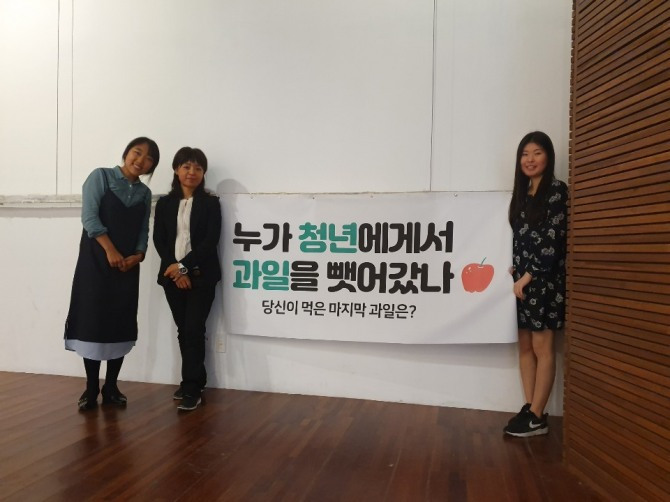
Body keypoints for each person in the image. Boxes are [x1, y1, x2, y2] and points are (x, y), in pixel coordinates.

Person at [65, 137, 160, 410]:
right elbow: (89, 218)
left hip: (127, 266)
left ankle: (111, 386)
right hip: (95, 262)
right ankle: (91, 387)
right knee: (93, 321)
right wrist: (110, 250)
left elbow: (143, 230)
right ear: (126, 153)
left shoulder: (144, 193)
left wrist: (138, 255)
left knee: (120, 321)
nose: (140, 161)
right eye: (137, 152)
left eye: (149, 158)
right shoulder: (101, 177)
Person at [503, 131, 567, 437]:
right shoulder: (521, 194)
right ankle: (530, 408)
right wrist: (514, 268)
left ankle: (539, 415)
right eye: (525, 154)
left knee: (543, 347)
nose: (530, 159)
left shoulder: (557, 191)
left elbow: (553, 241)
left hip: (544, 282)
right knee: (525, 347)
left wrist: (529, 274)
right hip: (521, 283)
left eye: (537, 153)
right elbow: (519, 238)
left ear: (548, 157)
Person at [153, 147, 221, 412]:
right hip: (172, 277)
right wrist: (175, 270)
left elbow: (210, 241)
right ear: (176, 169)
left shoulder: (211, 203)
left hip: (202, 277)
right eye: (186, 167)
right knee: (185, 331)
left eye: (198, 168)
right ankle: (196, 380)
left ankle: (191, 386)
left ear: (203, 173)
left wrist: (183, 267)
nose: (192, 172)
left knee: (194, 330)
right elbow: (159, 239)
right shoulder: (165, 204)